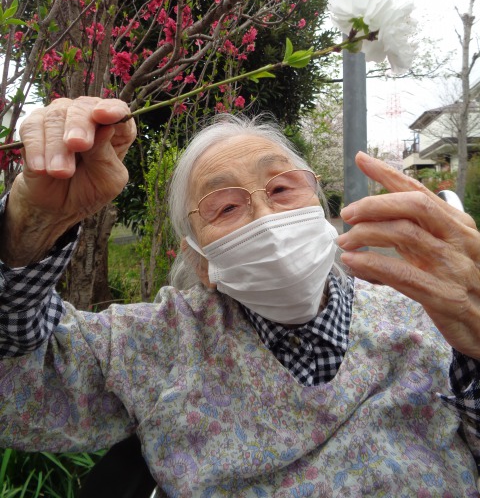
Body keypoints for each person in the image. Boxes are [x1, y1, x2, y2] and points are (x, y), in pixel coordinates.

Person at [0, 96, 479, 497]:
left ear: (321, 209)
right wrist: (33, 222)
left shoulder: (437, 318)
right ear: (201, 262)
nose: (266, 218)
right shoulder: (159, 343)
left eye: (282, 188)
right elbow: (18, 383)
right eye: (225, 206)